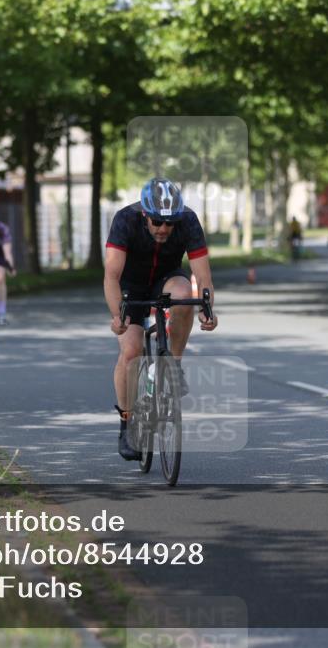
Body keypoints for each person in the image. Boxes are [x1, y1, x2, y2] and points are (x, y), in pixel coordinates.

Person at [104, 177, 218, 461]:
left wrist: (207, 307)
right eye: (158, 222)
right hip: (131, 284)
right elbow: (112, 275)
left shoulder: (189, 220)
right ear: (145, 214)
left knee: (183, 296)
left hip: (167, 278)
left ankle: (173, 364)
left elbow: (202, 276)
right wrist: (117, 315)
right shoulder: (125, 220)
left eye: (170, 223)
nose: (164, 228)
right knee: (130, 353)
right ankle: (127, 422)